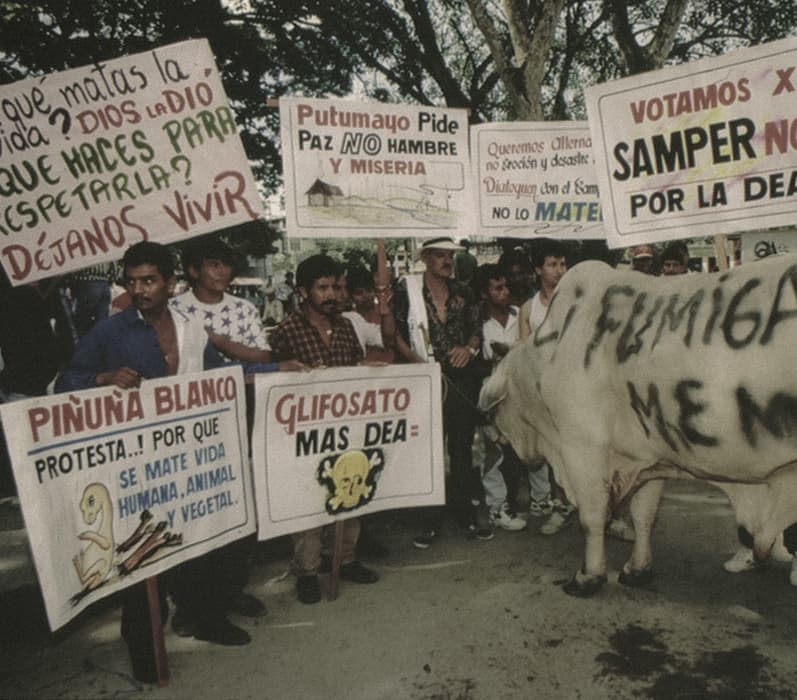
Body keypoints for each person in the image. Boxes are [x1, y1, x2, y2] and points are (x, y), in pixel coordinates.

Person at [55, 241, 261, 682]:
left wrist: (278, 369)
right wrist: (102, 378)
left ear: (170, 283)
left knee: (198, 544)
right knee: (139, 566)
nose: (139, 289)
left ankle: (202, 619)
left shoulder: (191, 326)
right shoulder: (110, 331)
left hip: (185, 464)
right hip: (133, 471)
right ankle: (146, 655)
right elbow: (62, 382)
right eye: (131, 281)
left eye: (149, 280)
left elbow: (218, 374)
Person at [167, 236, 283, 645]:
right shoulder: (175, 309)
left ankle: (231, 589)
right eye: (212, 265)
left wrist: (227, 355)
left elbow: (263, 359)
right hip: (193, 423)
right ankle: (188, 604)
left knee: (242, 506)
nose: (221, 273)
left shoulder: (244, 308)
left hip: (243, 411)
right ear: (194, 269)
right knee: (197, 510)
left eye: (225, 265)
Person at [268, 254, 379, 604]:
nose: (331, 294)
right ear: (303, 291)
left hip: (346, 430)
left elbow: (357, 366)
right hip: (306, 435)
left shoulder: (347, 326)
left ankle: (345, 559)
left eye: (335, 287)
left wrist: (365, 369)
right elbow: (273, 384)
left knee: (350, 490)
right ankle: (308, 570)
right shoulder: (286, 330)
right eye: (322, 288)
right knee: (309, 501)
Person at [393, 237, 493, 548]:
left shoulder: (464, 291)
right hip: (422, 376)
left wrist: (470, 349)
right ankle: (429, 521)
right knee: (428, 450)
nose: (447, 261)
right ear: (425, 258)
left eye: (450, 256)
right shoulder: (406, 290)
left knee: (461, 450)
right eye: (440, 256)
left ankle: (466, 515)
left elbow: (477, 329)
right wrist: (419, 365)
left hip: (460, 377)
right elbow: (394, 334)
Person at [518, 240, 575, 534]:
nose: (559, 270)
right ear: (539, 269)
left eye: (562, 264)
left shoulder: (577, 302)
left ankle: (607, 513)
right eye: (552, 265)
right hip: (544, 390)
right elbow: (525, 353)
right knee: (553, 452)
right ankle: (560, 505)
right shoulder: (528, 309)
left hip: (575, 388)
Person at [477, 263, 526, 531]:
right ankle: (497, 507)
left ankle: (539, 500)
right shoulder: (480, 325)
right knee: (493, 450)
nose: (504, 292)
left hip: (521, 390)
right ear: (485, 294)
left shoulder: (520, 315)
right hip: (493, 392)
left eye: (505, 286)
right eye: (497, 288)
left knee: (522, 447)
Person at [342, 265, 395, 364]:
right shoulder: (350, 319)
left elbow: (391, 340)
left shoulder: (385, 313)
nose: (366, 296)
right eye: (359, 293)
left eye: (369, 290)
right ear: (350, 296)